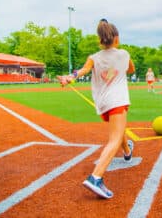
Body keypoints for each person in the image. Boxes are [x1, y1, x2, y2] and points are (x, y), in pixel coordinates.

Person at [57, 19, 135, 199]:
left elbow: (82, 71)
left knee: (119, 129)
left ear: (100, 40)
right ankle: (96, 177)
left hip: (104, 103)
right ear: (116, 38)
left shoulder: (93, 57)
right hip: (117, 100)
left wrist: (70, 77)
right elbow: (130, 70)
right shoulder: (123, 54)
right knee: (114, 139)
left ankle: (128, 152)